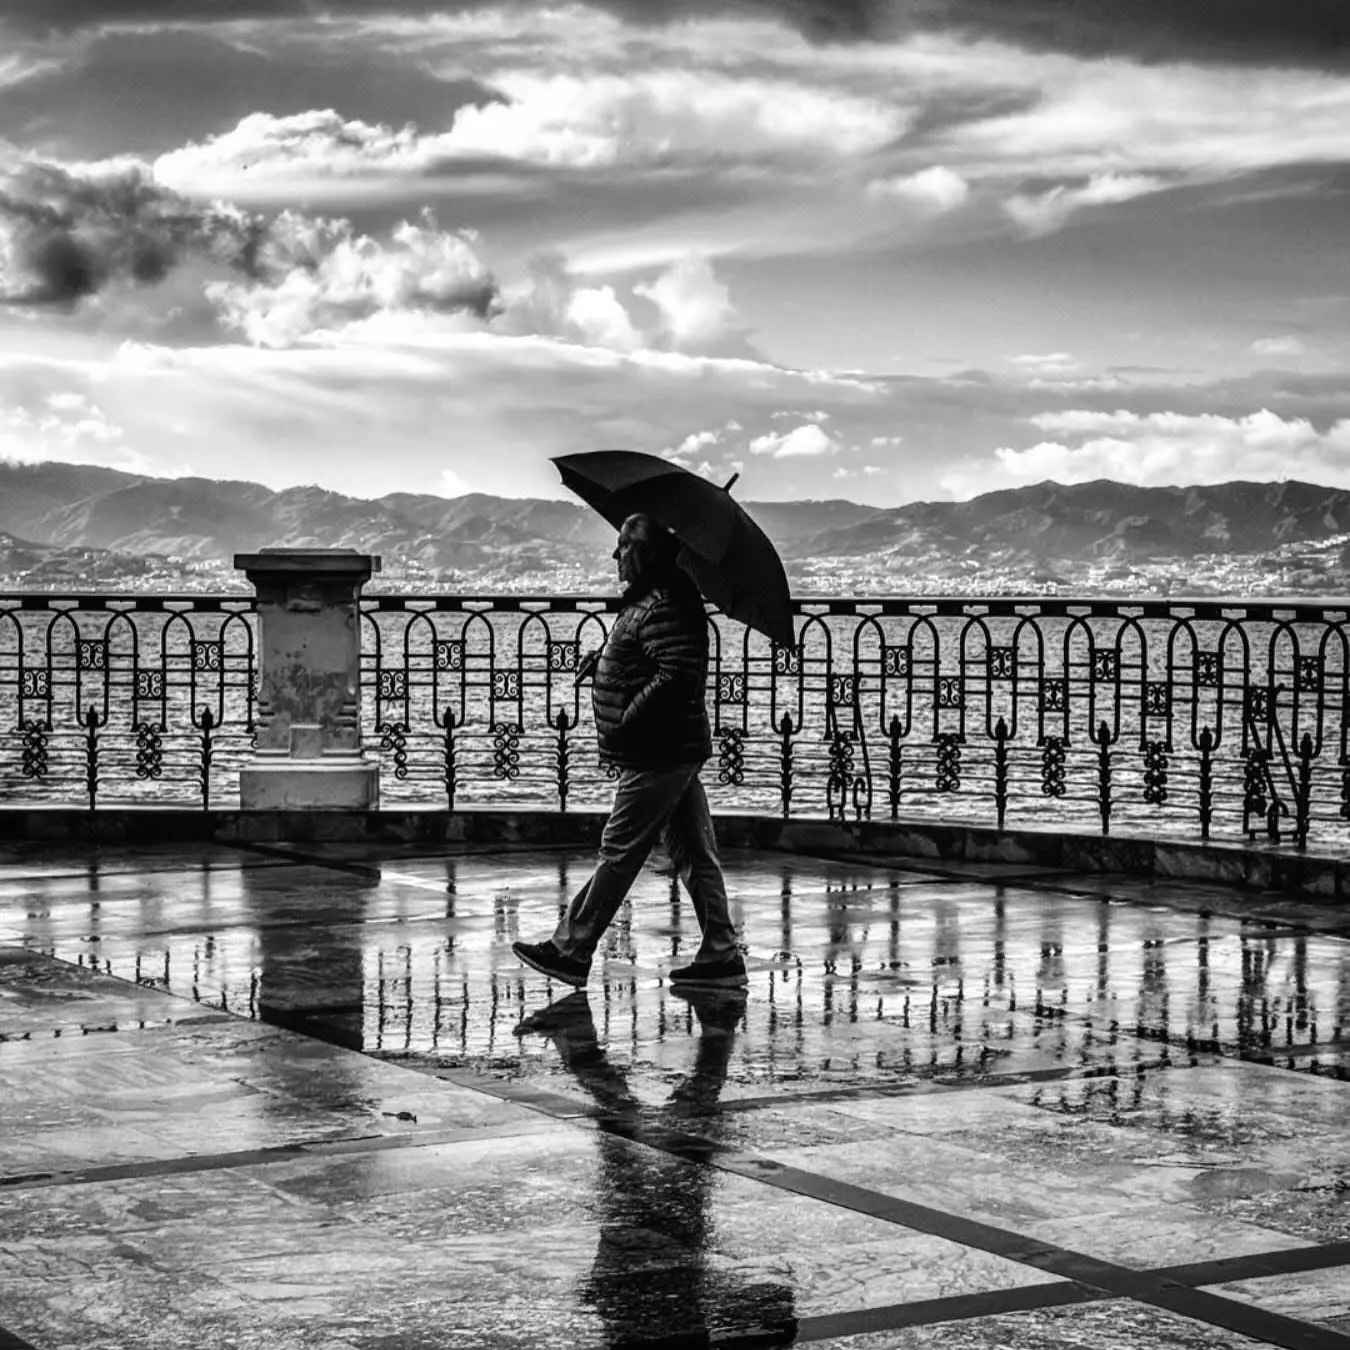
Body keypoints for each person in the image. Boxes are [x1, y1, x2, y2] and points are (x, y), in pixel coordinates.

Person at [512, 512, 746, 989]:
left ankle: (572, 948)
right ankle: (721, 951)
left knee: (619, 850)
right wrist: (604, 663)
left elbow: (676, 674)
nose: (615, 554)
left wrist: (627, 719)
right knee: (694, 853)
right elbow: (649, 658)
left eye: (625, 545)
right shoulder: (655, 599)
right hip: (670, 747)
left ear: (649, 552)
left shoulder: (666, 602)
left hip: (658, 749)